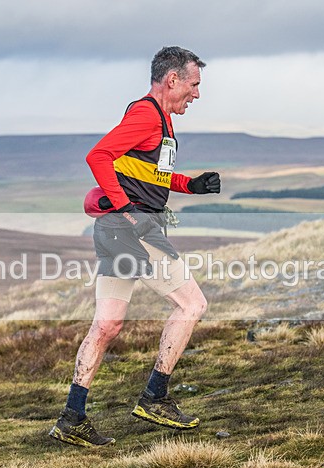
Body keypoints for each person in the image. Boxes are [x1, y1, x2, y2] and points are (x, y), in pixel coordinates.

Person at [49, 46, 221, 447]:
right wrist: (128, 210)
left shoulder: (157, 119)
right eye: (194, 85)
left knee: (107, 325)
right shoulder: (146, 115)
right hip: (132, 230)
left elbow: (147, 173)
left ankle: (72, 417)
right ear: (172, 79)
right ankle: (155, 397)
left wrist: (189, 185)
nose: (196, 94)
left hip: (113, 231)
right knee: (192, 305)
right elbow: (99, 156)